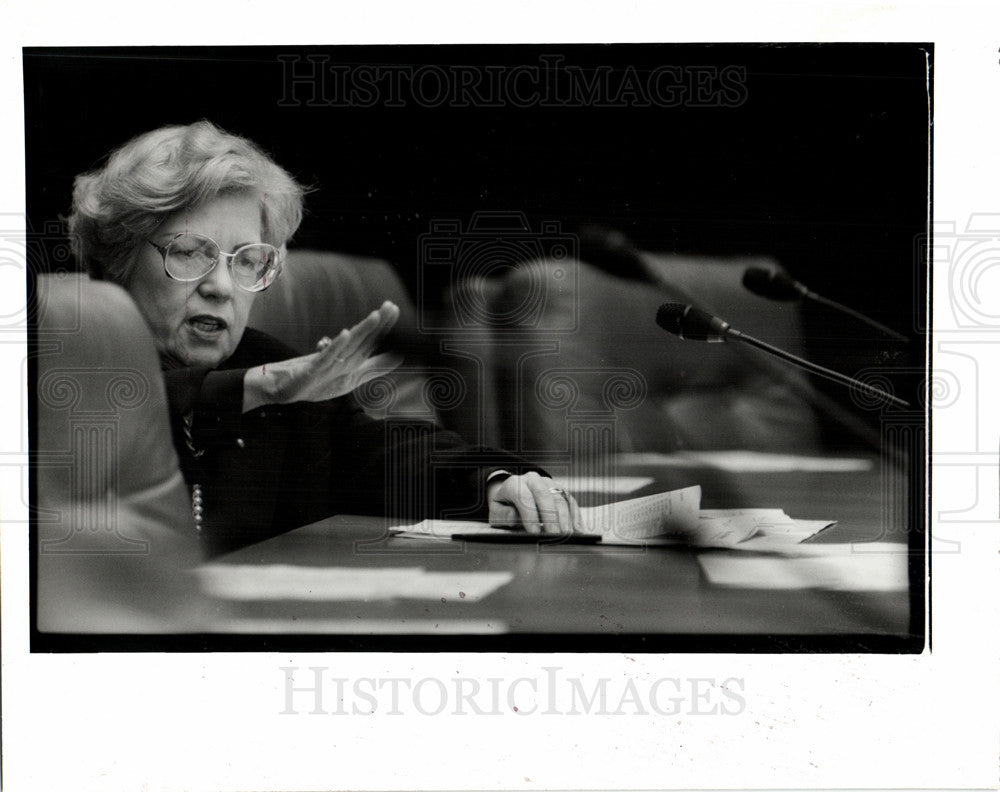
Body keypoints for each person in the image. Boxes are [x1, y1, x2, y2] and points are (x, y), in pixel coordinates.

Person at [68, 120, 579, 556]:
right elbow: (131, 405)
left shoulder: (266, 362)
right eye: (188, 252)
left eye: (247, 260)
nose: (221, 287)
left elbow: (380, 452)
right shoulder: (63, 368)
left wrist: (495, 482)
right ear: (120, 260)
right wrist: (258, 389)